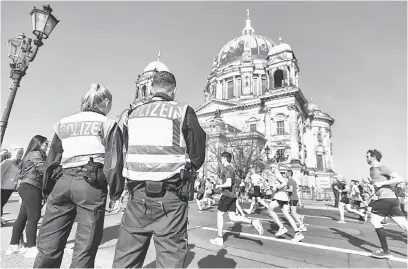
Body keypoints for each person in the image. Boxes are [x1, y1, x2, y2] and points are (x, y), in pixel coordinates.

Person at [112, 71, 206, 268]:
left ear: (152, 88)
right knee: (170, 258)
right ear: (173, 91)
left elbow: (126, 149)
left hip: (137, 195)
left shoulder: (131, 114)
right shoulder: (182, 111)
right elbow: (197, 153)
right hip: (171, 196)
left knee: (126, 258)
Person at [33, 84, 125, 268]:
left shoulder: (64, 123)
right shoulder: (108, 124)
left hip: (63, 180)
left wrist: (48, 190)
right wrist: (116, 193)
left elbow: (53, 159)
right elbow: (114, 161)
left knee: (49, 243)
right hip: (90, 184)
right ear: (105, 102)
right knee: (85, 246)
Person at [5, 136, 48, 257]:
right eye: (46, 144)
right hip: (32, 186)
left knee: (22, 217)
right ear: (39, 143)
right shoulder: (36, 153)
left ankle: (14, 245)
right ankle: (31, 247)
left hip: (26, 186)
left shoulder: (30, 154)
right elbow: (43, 169)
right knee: (33, 217)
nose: (47, 146)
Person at [210, 152, 263, 246]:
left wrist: (218, 185)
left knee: (219, 215)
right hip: (233, 195)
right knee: (232, 217)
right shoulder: (232, 169)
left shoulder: (227, 169)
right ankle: (253, 221)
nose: (221, 160)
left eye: (222, 158)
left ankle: (219, 238)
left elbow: (228, 183)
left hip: (227, 195)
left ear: (225, 159)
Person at [365, 149, 407, 259]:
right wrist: (372, 187)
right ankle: (385, 250)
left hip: (386, 199)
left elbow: (399, 178)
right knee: (404, 226)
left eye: (367, 156)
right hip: (390, 200)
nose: (366, 158)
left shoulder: (382, 167)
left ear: (373, 157)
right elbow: (377, 185)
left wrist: (382, 183)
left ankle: (385, 250)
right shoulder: (371, 169)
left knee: (375, 221)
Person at [266, 165, 304, 242]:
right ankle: (298, 233)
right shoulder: (276, 175)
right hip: (284, 198)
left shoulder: (277, 174)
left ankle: (282, 227)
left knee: (270, 209)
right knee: (287, 215)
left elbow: (284, 183)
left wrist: (276, 188)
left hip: (280, 197)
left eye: (272, 168)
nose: (271, 169)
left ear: (275, 168)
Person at [1, 146, 24, 225]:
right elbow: (1, 172)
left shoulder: (19, 162)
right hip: (3, 186)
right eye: (19, 153)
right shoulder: (8, 162)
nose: (21, 155)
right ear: (13, 152)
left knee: (2, 203)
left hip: (11, 187)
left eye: (22, 153)